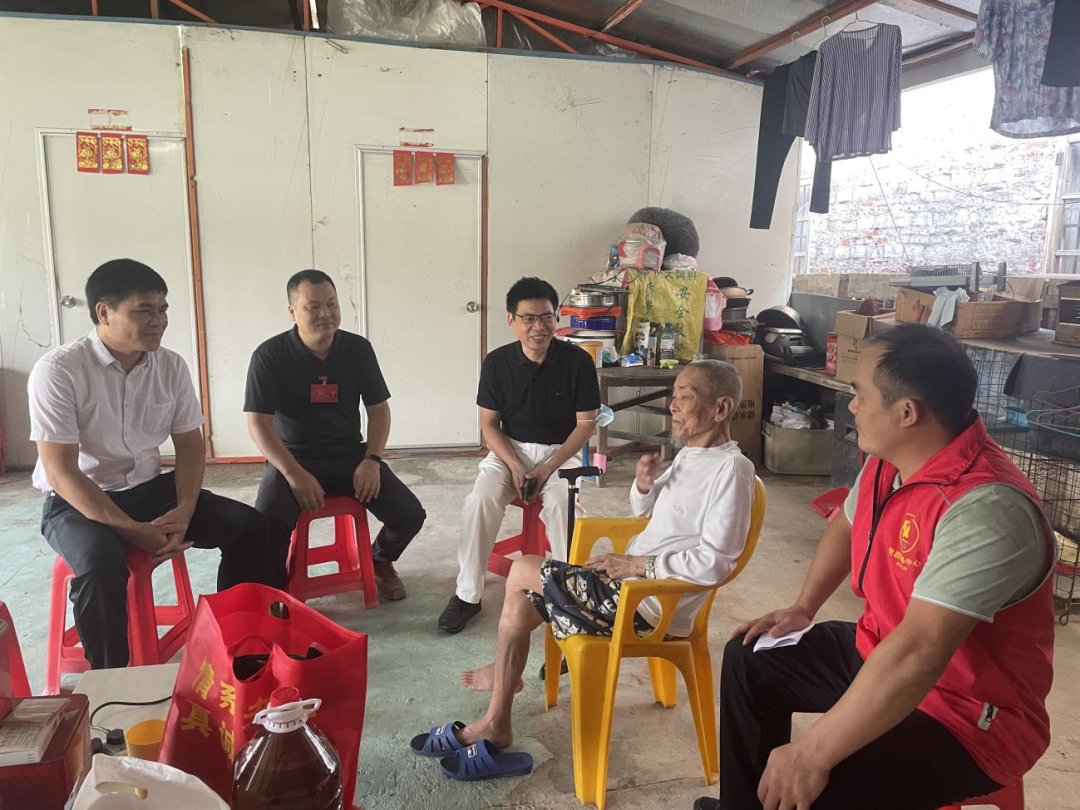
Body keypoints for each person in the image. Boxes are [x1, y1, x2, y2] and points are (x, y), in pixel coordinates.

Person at [699, 323, 1056, 810]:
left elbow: (920, 652)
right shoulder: (892, 461)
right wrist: (803, 607)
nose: (852, 406)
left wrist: (812, 754)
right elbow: (847, 527)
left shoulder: (986, 508)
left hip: (967, 712)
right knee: (752, 656)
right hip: (881, 648)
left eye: (860, 394)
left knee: (816, 790)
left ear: (907, 412)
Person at [414, 360, 755, 760]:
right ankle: (497, 719)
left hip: (648, 608)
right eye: (674, 394)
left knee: (523, 569)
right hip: (628, 588)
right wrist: (645, 485)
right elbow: (646, 512)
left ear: (720, 408)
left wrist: (638, 565)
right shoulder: (690, 455)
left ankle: (501, 684)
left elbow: (718, 562)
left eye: (686, 397)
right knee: (519, 606)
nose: (673, 405)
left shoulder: (732, 470)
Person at [29, 259, 289, 671]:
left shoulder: (170, 366)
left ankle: (238, 646)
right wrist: (131, 529)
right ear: (104, 312)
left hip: (149, 490)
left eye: (163, 309)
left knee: (250, 528)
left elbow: (190, 446)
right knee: (100, 569)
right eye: (143, 310)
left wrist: (185, 509)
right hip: (78, 501)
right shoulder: (59, 371)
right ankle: (111, 682)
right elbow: (61, 471)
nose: (159, 320)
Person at [245, 269, 425, 602]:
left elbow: (378, 409)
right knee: (266, 524)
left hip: (349, 454)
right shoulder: (270, 356)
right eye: (313, 307)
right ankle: (277, 590)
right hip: (293, 457)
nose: (325, 313)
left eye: (332, 304)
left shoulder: (357, 349)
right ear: (292, 312)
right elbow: (258, 423)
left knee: (409, 514)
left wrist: (372, 459)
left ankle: (379, 560)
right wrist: (294, 474)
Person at [437, 277, 601, 634]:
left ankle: (567, 595)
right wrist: (513, 464)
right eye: (528, 318)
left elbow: (586, 424)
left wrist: (548, 468)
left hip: (560, 452)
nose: (538, 327)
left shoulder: (577, 362)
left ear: (556, 318)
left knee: (564, 507)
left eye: (546, 317)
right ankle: (467, 594)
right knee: (480, 501)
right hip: (509, 449)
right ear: (511, 320)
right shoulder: (497, 363)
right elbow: (488, 425)